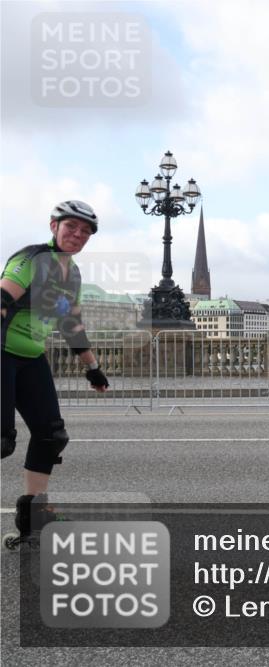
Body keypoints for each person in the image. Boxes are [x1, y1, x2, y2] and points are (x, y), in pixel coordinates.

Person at [1, 200, 109, 547]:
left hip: (31, 358)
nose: (77, 235)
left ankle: (34, 516)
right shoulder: (31, 260)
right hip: (2, 352)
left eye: (84, 232)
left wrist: (93, 369)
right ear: (54, 226)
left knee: (51, 435)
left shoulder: (71, 274)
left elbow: (70, 325)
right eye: (70, 227)